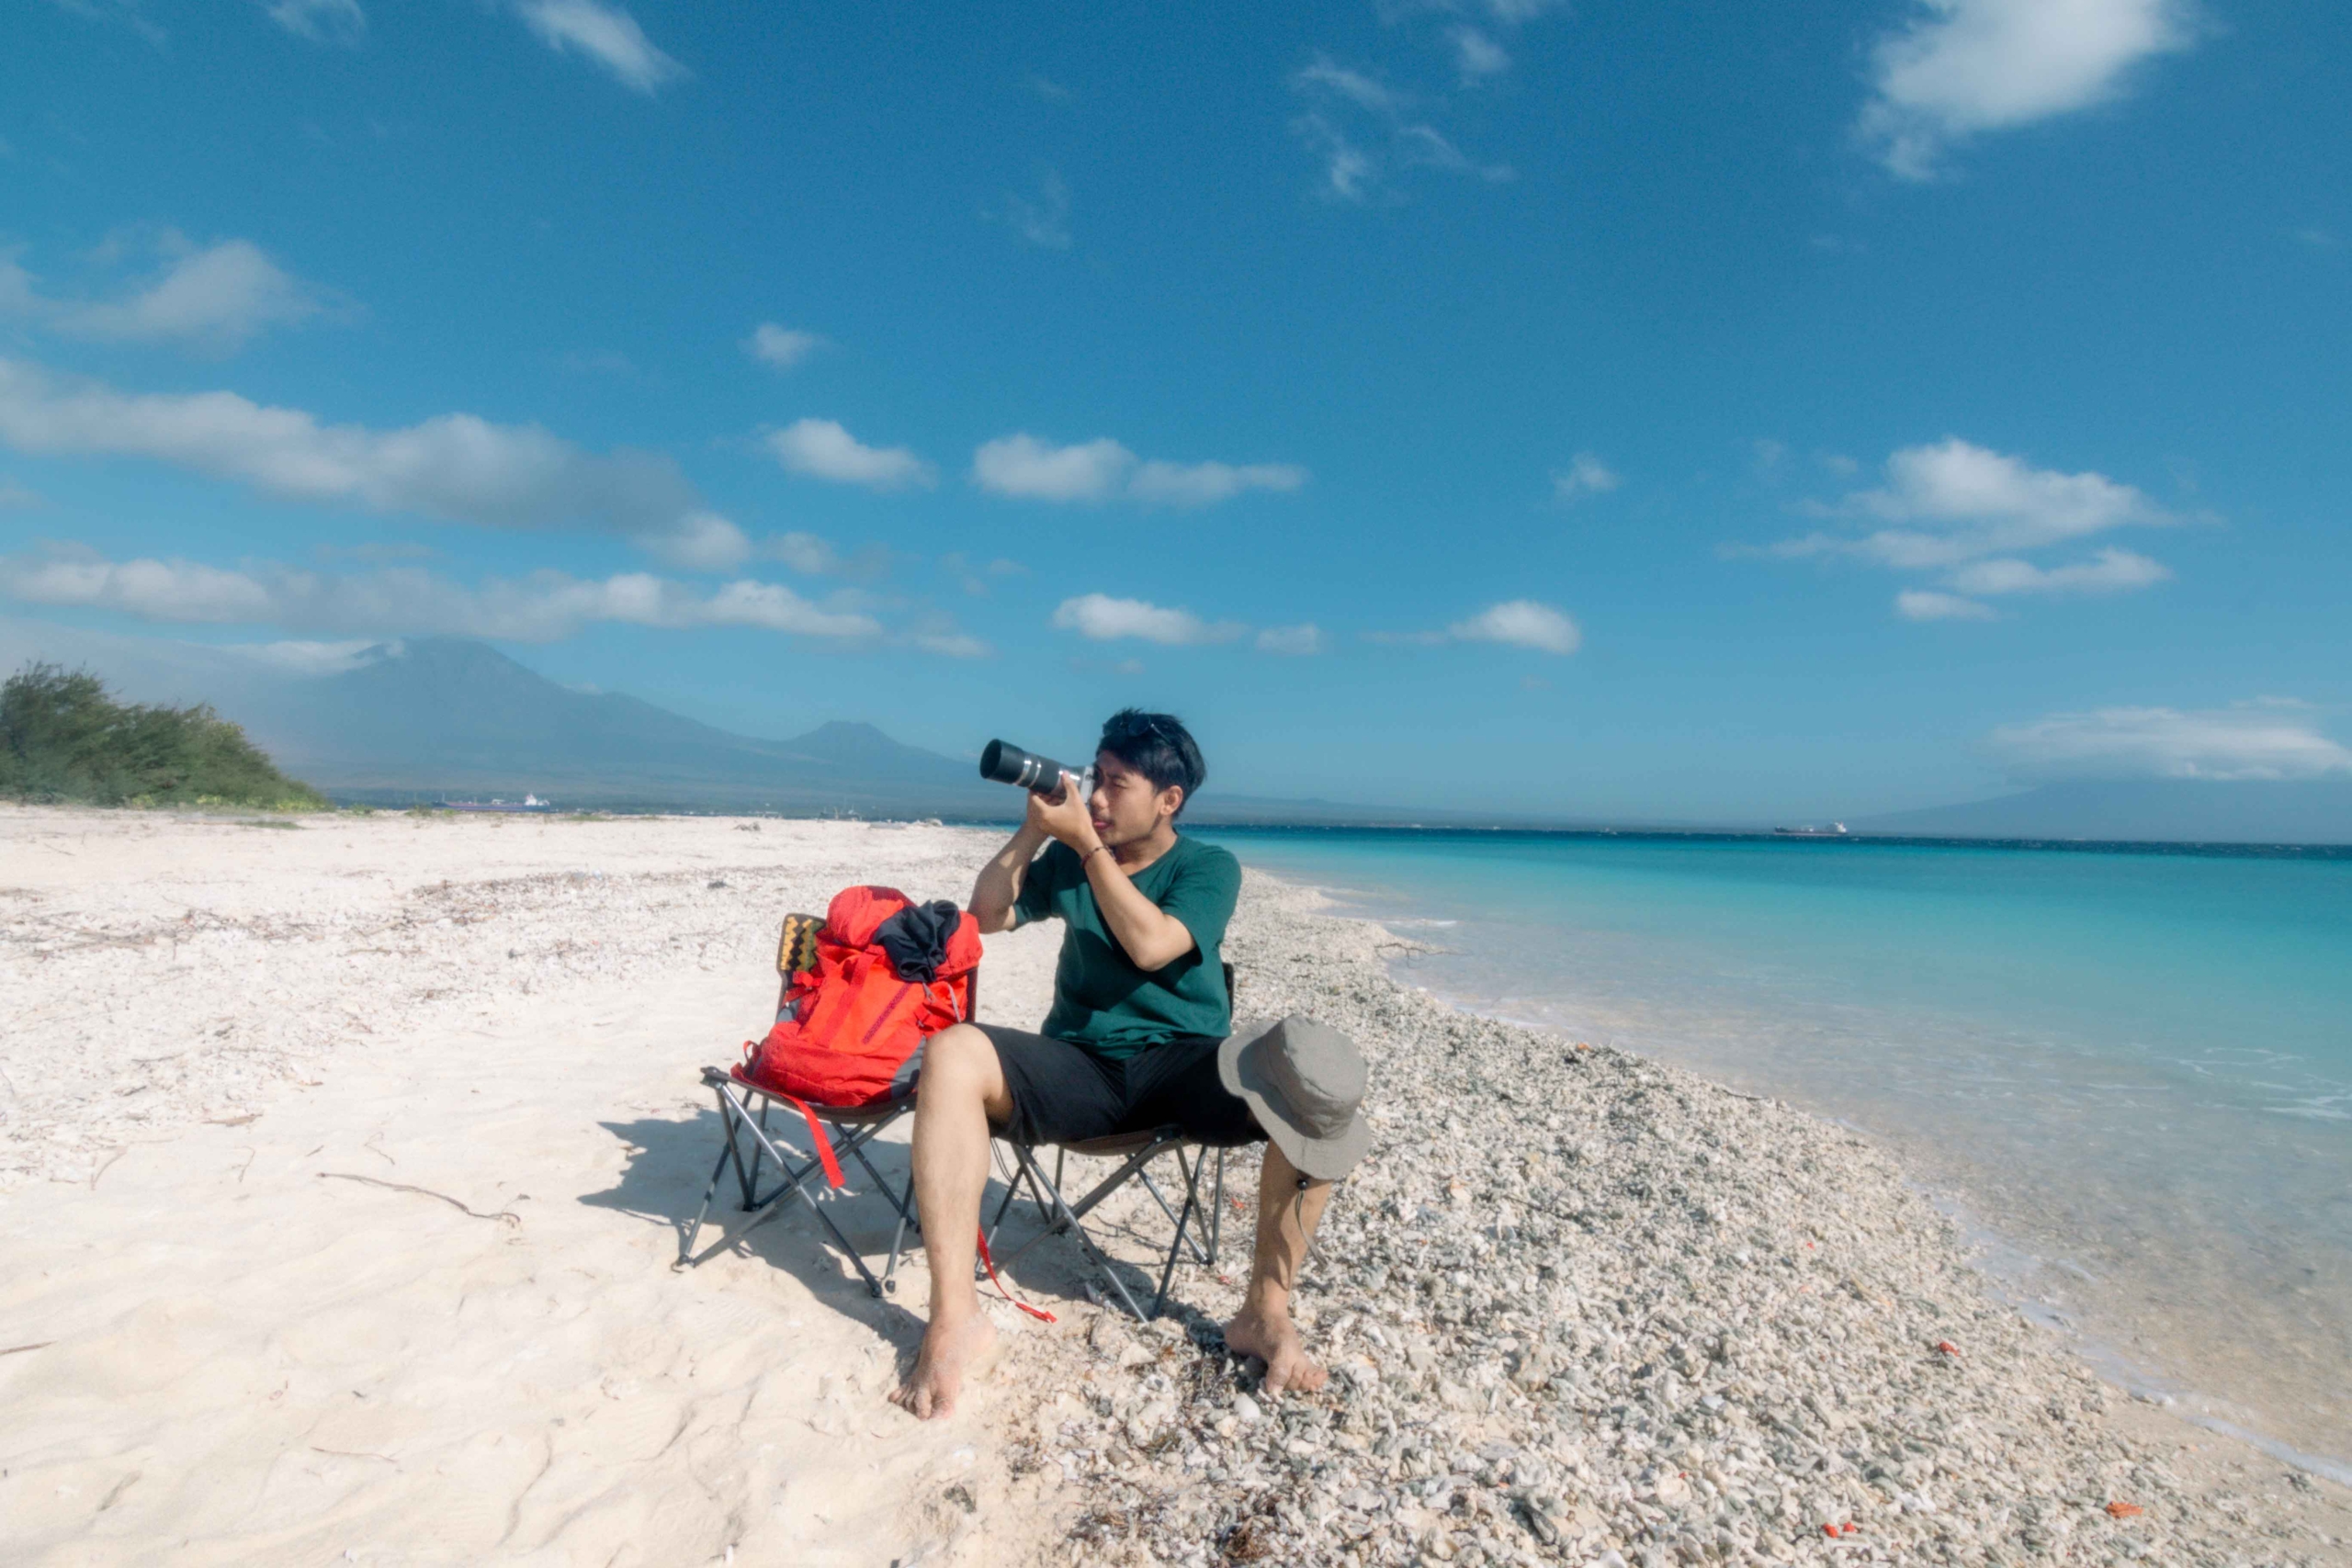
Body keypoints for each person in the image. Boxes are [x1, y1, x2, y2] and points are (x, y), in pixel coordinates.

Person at [889, 709, 1368, 1420]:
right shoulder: (1071, 856)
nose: (1100, 798)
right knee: (954, 1048)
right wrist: (1035, 831)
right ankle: (954, 1318)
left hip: (1185, 1067)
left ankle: (1265, 1311)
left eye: (1118, 784)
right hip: (1077, 1066)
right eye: (1096, 778)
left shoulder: (1208, 867)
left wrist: (1088, 847)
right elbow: (984, 914)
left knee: (1315, 1076)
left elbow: (1152, 945)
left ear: (1169, 799)